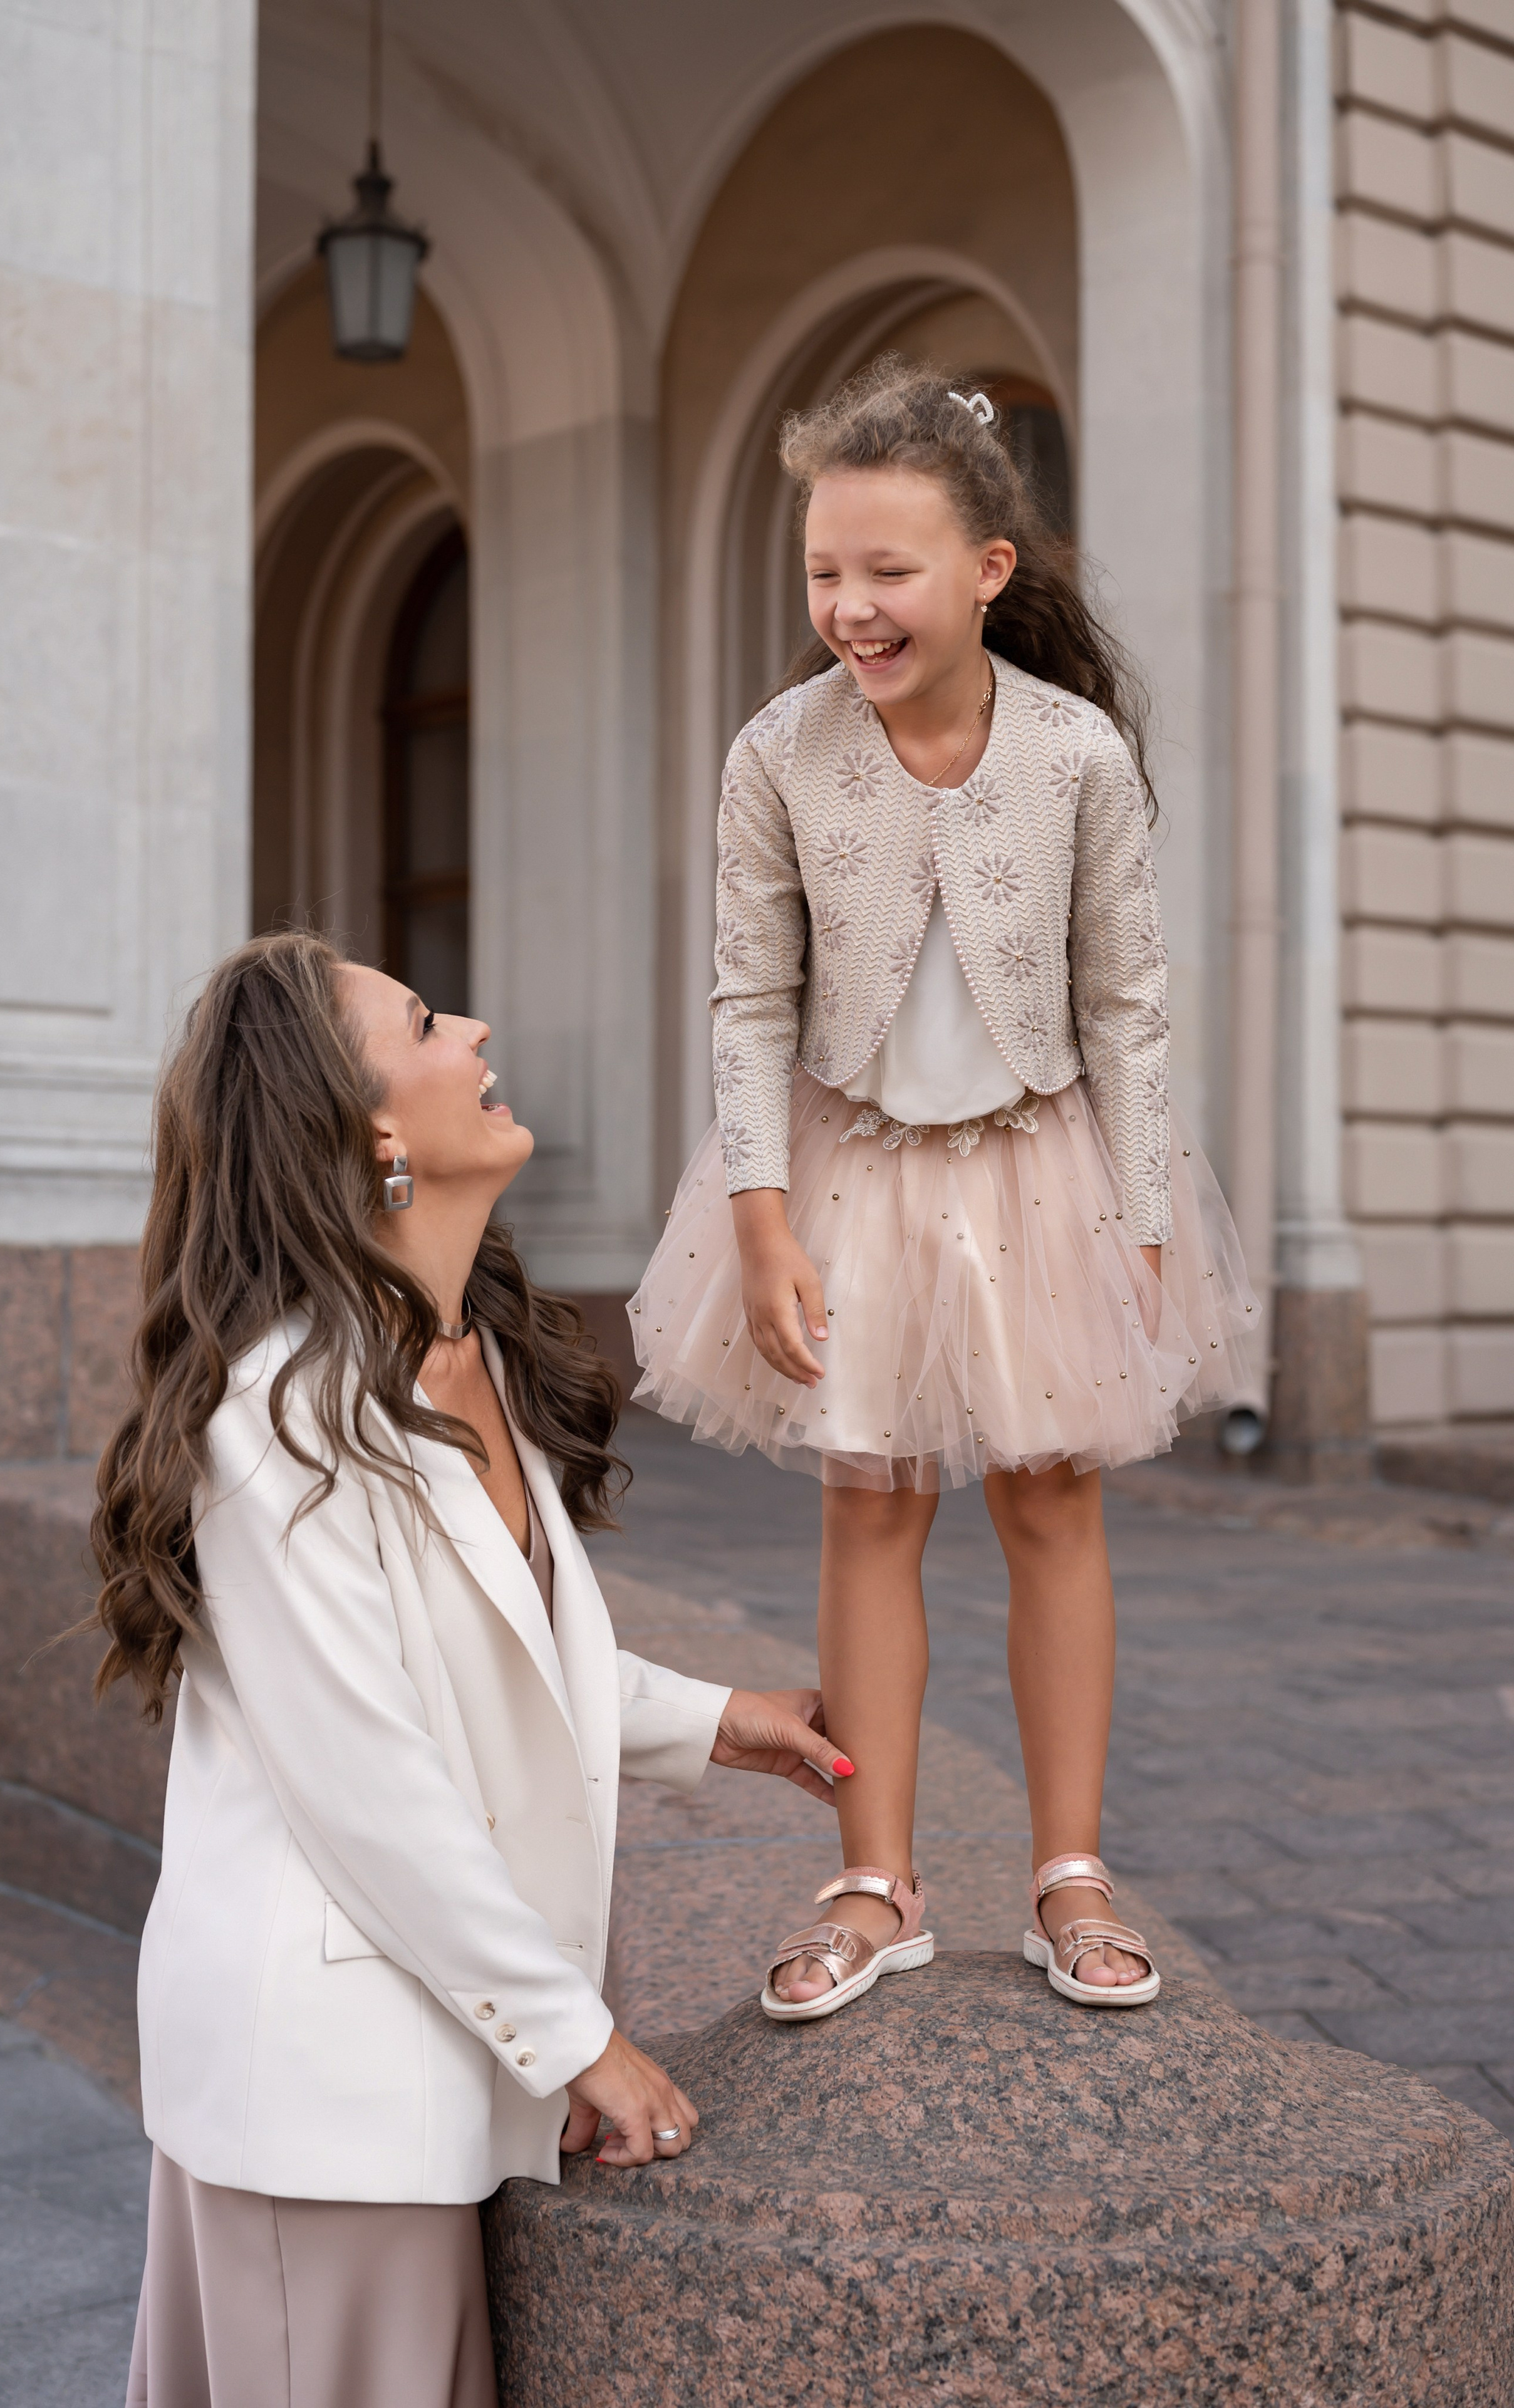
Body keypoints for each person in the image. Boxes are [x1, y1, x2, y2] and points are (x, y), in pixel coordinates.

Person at [91, 931, 848, 2408]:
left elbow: (483, 1664)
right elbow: (373, 1783)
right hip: (318, 2097)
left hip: (410, 2080)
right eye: (429, 1019)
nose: (480, 1026)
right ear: (371, 1126)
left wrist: (721, 1717)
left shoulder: (461, 1356)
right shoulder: (281, 1419)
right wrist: (584, 2044)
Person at [630, 356, 1256, 2023]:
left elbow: (1127, 995)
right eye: (825, 569)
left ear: (989, 569)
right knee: (869, 1495)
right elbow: (749, 994)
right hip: (854, 1174)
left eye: (887, 570)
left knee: (1053, 1494)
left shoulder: (1074, 757)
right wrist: (760, 1218)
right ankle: (873, 1874)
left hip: (1047, 1161)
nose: (849, 604)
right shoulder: (778, 753)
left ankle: (1069, 1869)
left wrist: (1137, 1214)